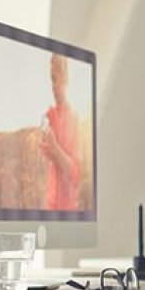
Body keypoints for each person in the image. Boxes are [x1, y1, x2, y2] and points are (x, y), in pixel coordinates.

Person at [40, 53, 82, 211]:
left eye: (56, 79)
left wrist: (55, 150)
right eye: (51, 79)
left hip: (67, 210)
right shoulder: (50, 115)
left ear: (66, 79)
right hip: (50, 205)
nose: (53, 86)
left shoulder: (74, 118)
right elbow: (44, 152)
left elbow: (75, 174)